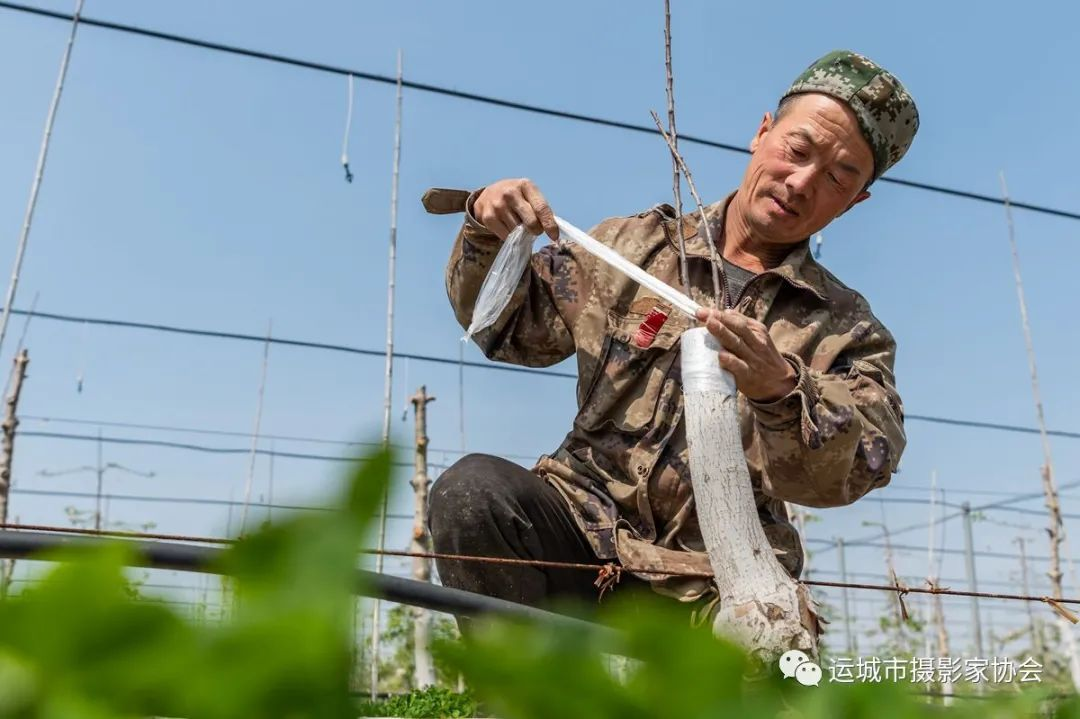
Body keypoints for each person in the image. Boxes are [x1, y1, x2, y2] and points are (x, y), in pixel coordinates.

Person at [421, 50, 919, 617]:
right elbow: (507, 327)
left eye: (836, 177)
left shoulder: (848, 331)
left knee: (778, 665)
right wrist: (487, 228)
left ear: (856, 201)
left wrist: (782, 390)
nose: (801, 182)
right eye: (797, 150)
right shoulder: (633, 248)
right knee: (473, 493)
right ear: (763, 132)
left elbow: (857, 469)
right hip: (580, 528)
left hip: (715, 581)